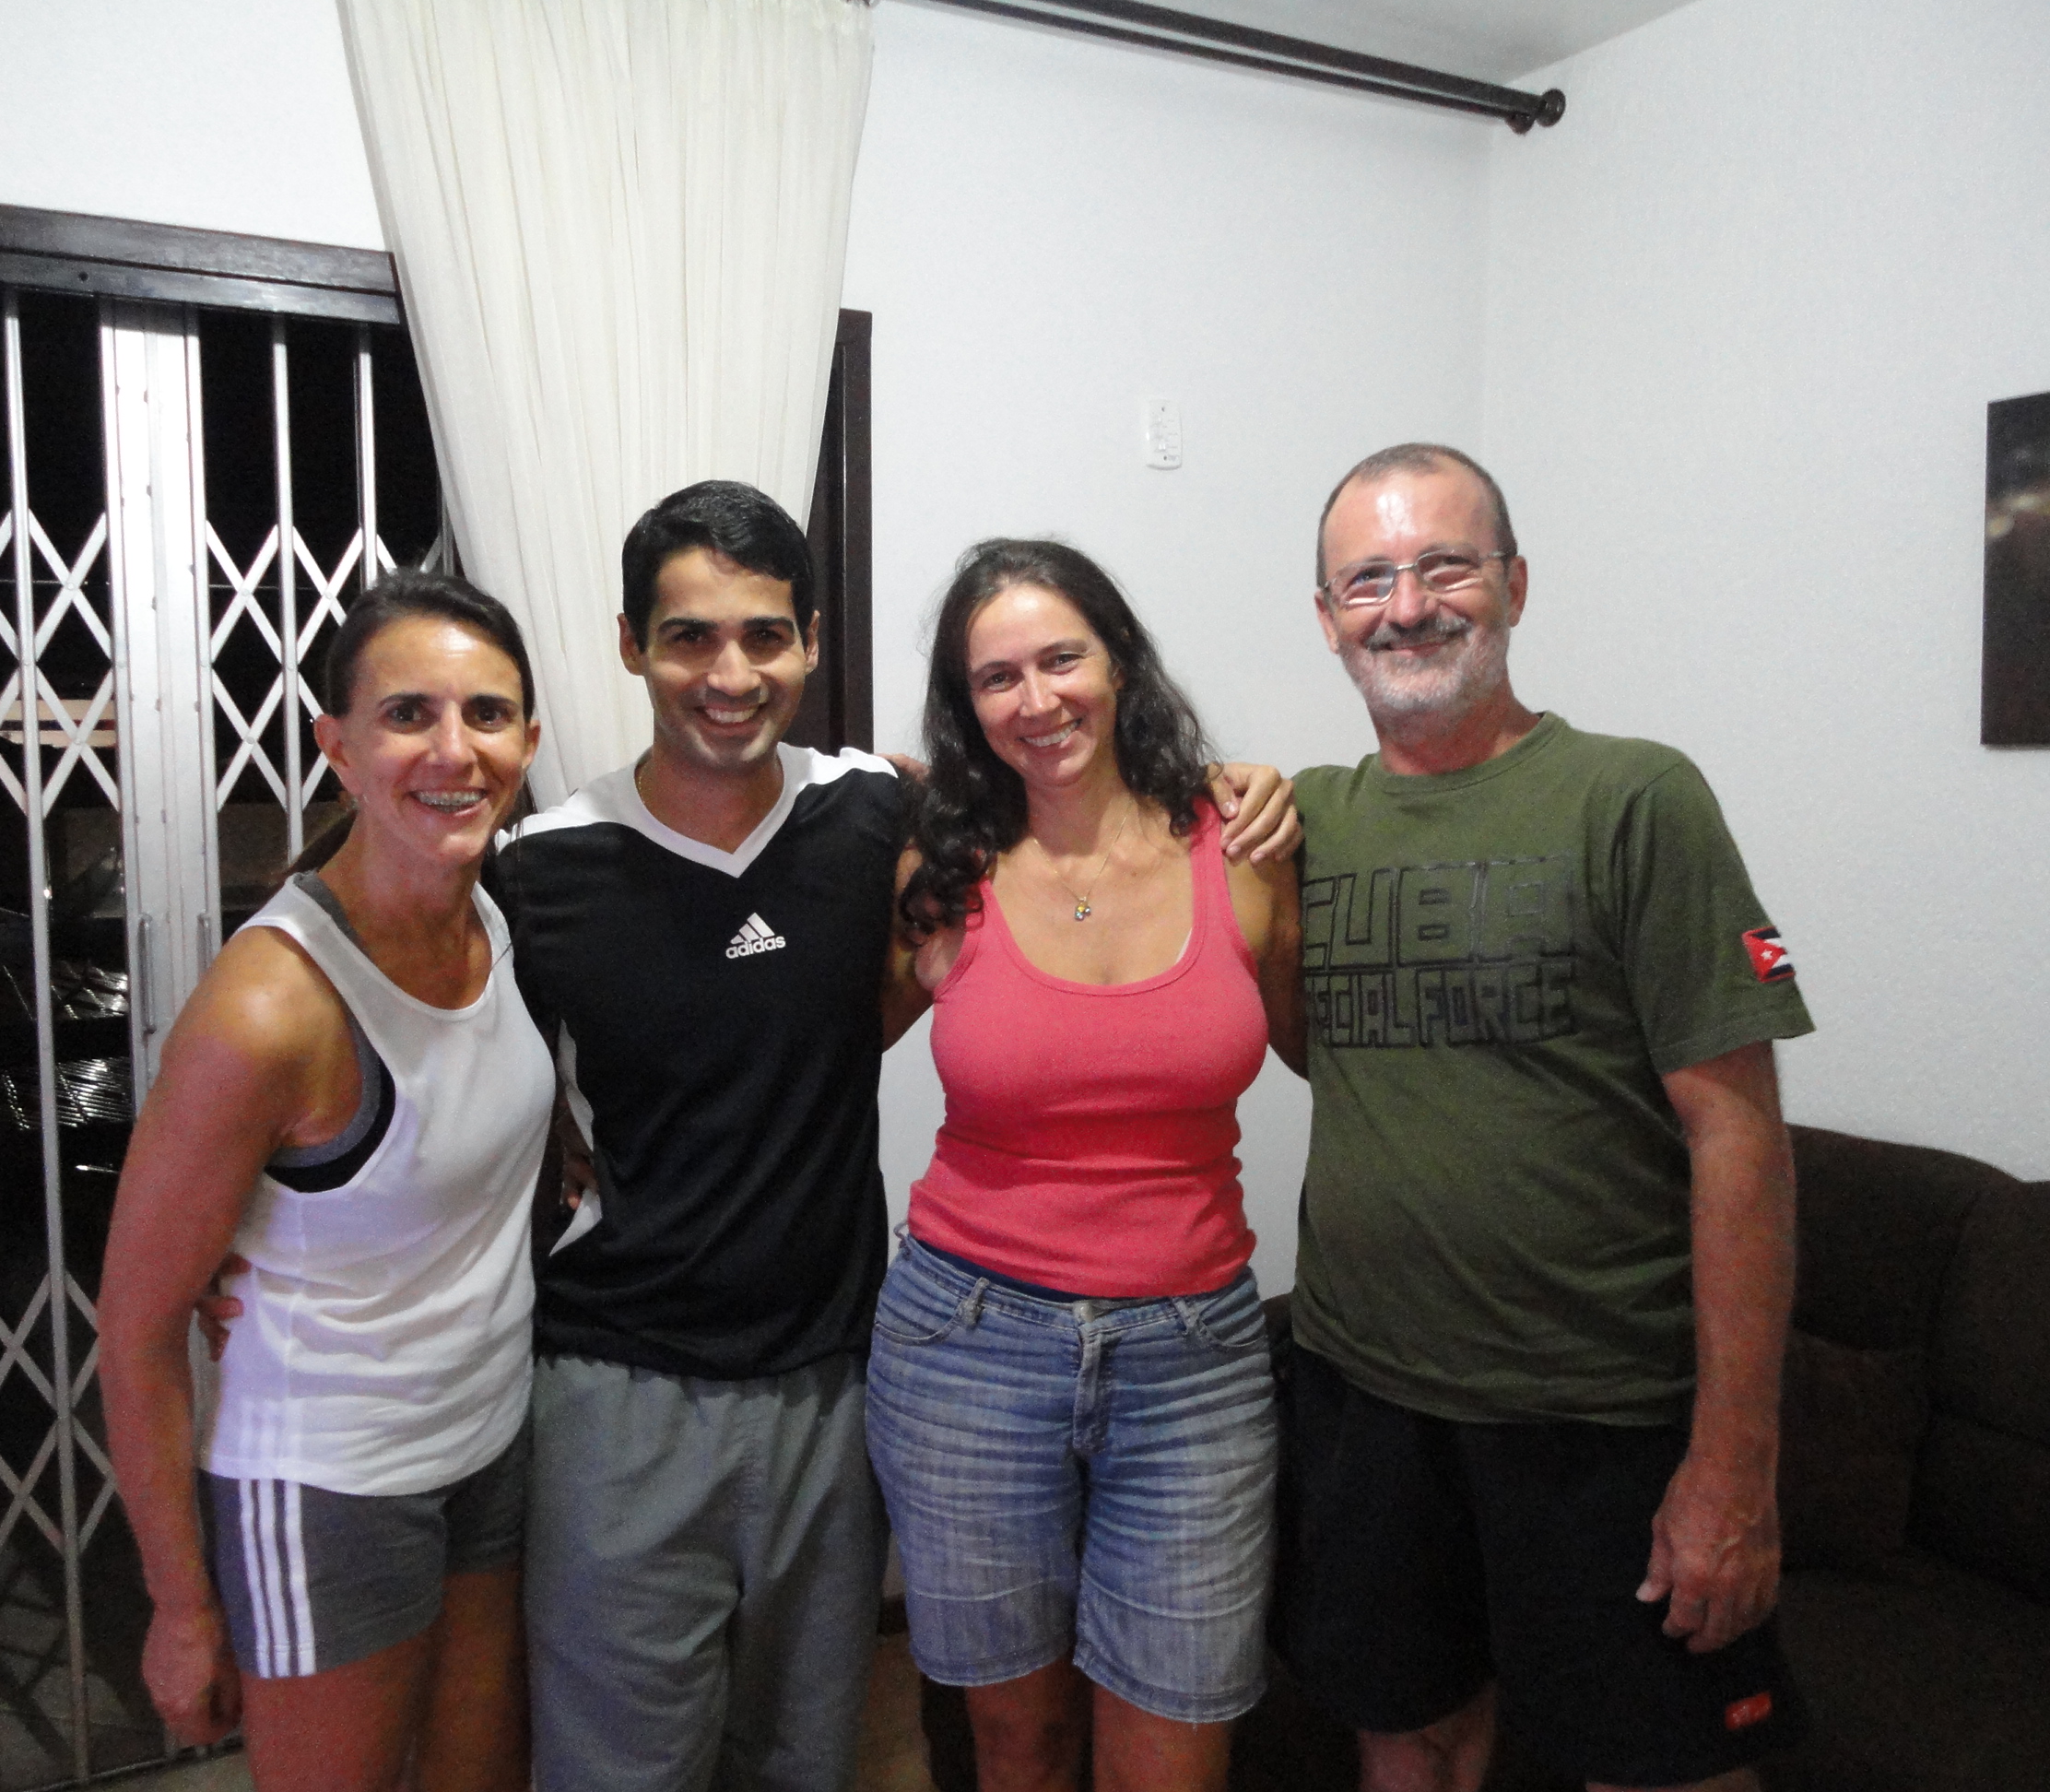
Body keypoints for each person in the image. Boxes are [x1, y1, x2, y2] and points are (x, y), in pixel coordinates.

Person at [495, 482, 1299, 1792]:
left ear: (811, 641)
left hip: (923, 1365)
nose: (731, 674)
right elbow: (472, 1083)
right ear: (631, 644)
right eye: (690, 637)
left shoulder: (885, 816)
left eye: (765, 635)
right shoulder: (550, 866)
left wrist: (1252, 784)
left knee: (833, 1750)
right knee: (648, 1759)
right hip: (735, 1367)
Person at [1278, 444, 1815, 1792]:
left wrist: (1734, 1464)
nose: (1408, 607)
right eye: (1368, 580)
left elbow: (1741, 1141)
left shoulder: (1636, 797)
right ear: (1327, 616)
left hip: (1598, 1416)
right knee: (1410, 1740)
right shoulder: (1303, 825)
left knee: (1661, 1768)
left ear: (1514, 585)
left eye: (1445, 567)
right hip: (1363, 1397)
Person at [101, 572, 553, 1792]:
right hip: (327, 1482)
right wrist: (181, 1608)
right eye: (408, 714)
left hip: (488, 1445)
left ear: (527, 741)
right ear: (337, 748)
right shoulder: (269, 1010)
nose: (454, 750)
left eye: (487, 713)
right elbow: (136, 1331)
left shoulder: (497, 917)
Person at [868, 539, 1302, 1792]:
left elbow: (1328, 1053)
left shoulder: (1243, 841)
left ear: (1119, 663)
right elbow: (809, 1046)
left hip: (1195, 1362)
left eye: (1062, 659)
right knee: (1019, 1748)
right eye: (996, 677)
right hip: (967, 1346)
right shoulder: (942, 872)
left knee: (1176, 1744)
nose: (1037, 699)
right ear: (966, 707)